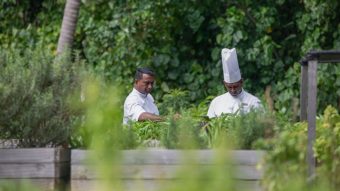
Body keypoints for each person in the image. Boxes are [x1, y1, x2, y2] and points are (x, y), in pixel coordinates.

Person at [207, 48, 262, 118]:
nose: (233, 90)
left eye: (235, 86)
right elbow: (208, 125)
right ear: (224, 83)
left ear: (241, 82)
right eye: (229, 87)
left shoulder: (254, 102)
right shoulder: (216, 102)